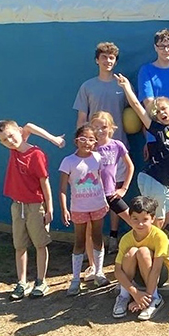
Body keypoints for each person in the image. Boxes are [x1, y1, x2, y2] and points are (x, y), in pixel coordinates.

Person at [115, 73, 169, 263]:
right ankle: (153, 258)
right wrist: (126, 87)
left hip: (165, 184)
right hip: (152, 179)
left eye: (164, 109)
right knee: (157, 220)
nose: (161, 113)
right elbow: (137, 107)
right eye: (157, 112)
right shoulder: (158, 129)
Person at [0, 120, 64, 299]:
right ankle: (22, 283)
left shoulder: (36, 154)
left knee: (40, 244)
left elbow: (44, 182)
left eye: (11, 135)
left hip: (36, 206)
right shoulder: (13, 151)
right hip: (18, 206)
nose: (10, 141)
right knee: (20, 246)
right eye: (4, 140)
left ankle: (41, 282)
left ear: (18, 131)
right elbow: (26, 128)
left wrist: (50, 208)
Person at [73, 42, 130, 258]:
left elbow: (134, 113)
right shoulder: (87, 86)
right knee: (94, 192)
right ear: (97, 60)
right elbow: (81, 118)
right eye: (104, 57)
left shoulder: (121, 85)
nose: (108, 61)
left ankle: (113, 236)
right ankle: (94, 244)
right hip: (93, 152)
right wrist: (81, 146)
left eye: (112, 58)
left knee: (113, 190)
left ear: (116, 61)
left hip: (117, 148)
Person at [59, 125, 110, 295]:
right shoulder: (68, 161)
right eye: (83, 139)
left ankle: (99, 273)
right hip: (78, 208)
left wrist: (104, 200)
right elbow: (62, 188)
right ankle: (75, 280)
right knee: (79, 241)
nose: (86, 142)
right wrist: (64, 208)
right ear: (76, 141)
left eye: (91, 139)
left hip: (97, 205)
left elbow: (100, 180)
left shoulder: (97, 158)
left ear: (95, 142)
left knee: (97, 237)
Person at [112, 196, 169, 321]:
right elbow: (117, 270)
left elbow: (156, 269)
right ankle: (124, 296)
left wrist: (145, 299)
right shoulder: (126, 239)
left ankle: (155, 298)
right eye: (135, 219)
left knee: (143, 251)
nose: (140, 224)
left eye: (145, 219)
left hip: (159, 274)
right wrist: (135, 293)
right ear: (130, 218)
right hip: (138, 278)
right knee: (131, 252)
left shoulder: (160, 237)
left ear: (152, 219)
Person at [91, 111, 135, 254]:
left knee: (133, 221)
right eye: (96, 127)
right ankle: (92, 259)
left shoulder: (117, 145)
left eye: (103, 127)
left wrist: (124, 188)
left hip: (111, 193)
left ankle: (143, 248)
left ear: (111, 128)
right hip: (93, 195)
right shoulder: (90, 147)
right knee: (91, 229)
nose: (100, 131)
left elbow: (130, 166)